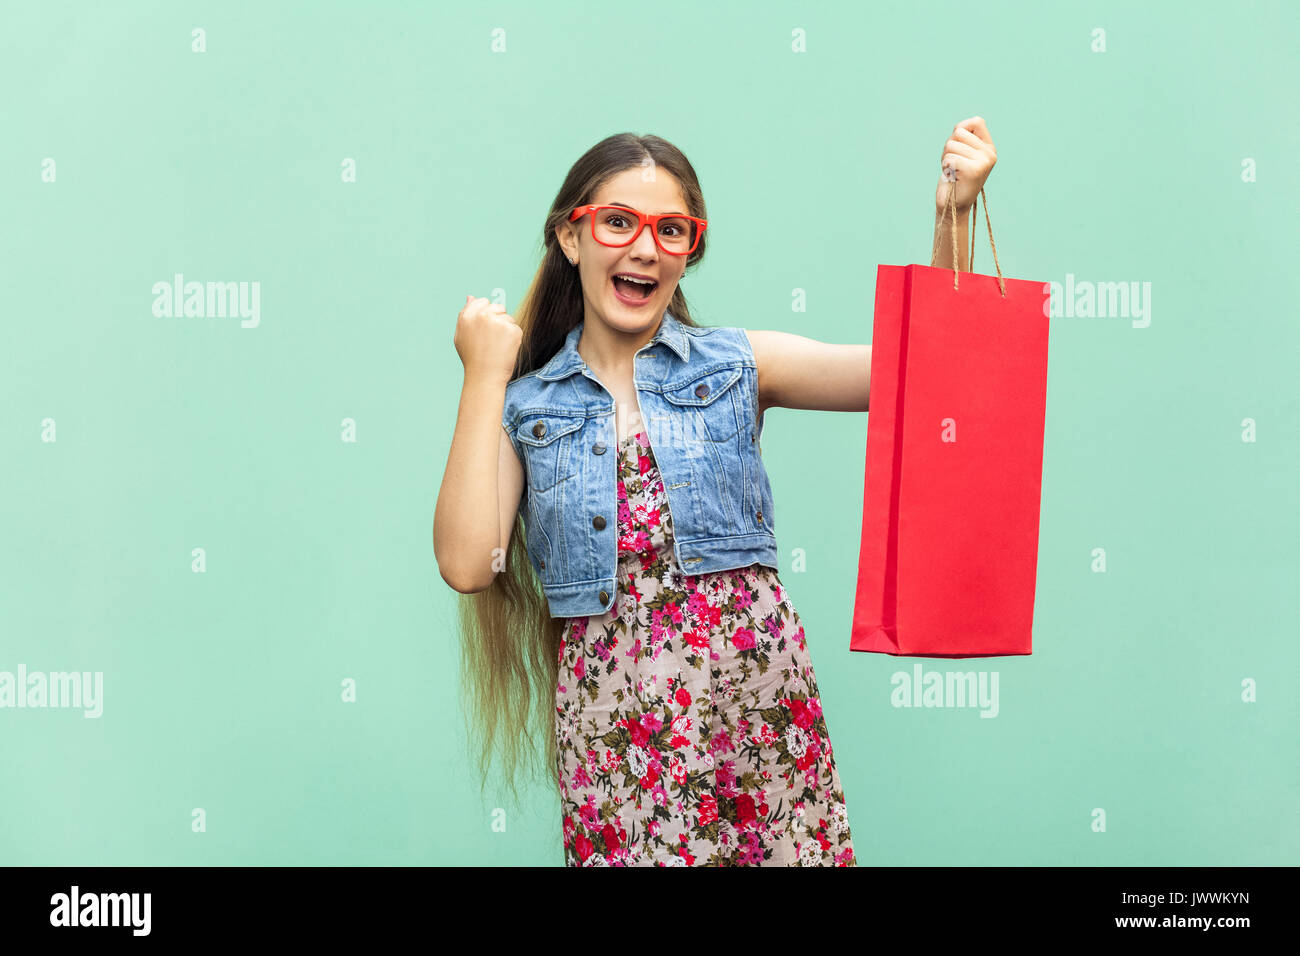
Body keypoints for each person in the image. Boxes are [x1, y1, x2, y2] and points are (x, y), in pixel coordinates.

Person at [434, 124, 997, 866]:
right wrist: (485, 374)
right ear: (571, 239)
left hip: (756, 704)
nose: (644, 248)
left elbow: (927, 375)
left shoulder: (738, 364)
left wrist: (952, 216)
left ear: (688, 253)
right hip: (619, 731)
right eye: (617, 222)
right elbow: (470, 563)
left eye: (671, 230)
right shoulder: (529, 408)